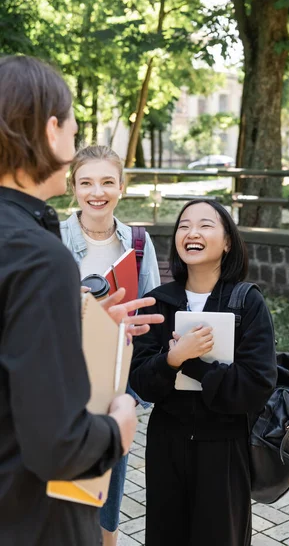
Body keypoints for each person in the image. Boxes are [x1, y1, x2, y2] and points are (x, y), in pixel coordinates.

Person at [0, 54, 163, 546]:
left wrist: (81, 321)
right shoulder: (41, 258)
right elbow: (58, 445)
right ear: (52, 130)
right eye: (72, 128)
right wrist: (118, 430)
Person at [130, 199, 277, 546]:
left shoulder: (246, 302)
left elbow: (256, 385)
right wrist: (171, 359)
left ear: (227, 242)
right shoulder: (158, 302)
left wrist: (192, 362)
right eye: (184, 226)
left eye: (205, 225)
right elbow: (141, 382)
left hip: (224, 448)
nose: (192, 233)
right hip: (167, 444)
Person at [61, 145, 160, 546]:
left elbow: (153, 312)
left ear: (122, 186)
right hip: (63, 383)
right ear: (74, 188)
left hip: (115, 383)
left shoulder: (138, 243)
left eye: (106, 182)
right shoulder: (52, 237)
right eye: (86, 182)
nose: (96, 192)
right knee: (62, 493)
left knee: (108, 493)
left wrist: (138, 328)